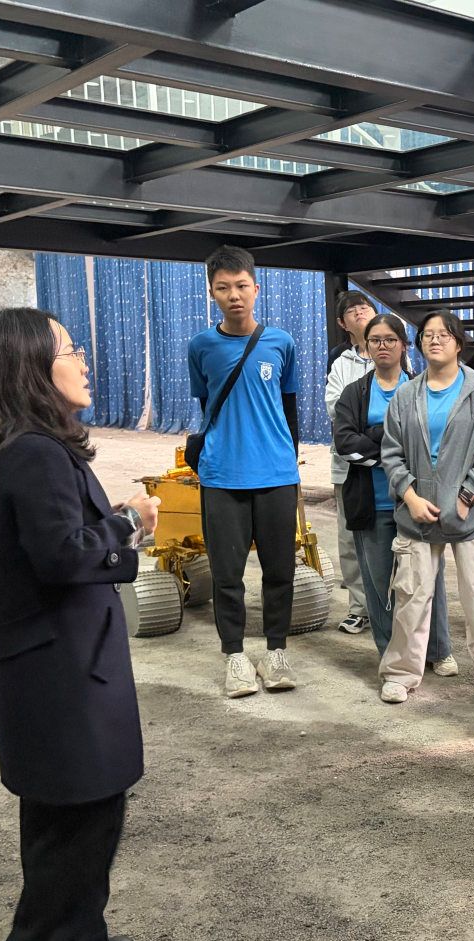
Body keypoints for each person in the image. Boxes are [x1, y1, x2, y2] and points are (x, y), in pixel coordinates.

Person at [0, 307, 158, 941]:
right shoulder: (33, 453)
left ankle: (79, 936)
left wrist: (112, 523)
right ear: (30, 366)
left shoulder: (29, 447)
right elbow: (64, 556)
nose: (83, 359)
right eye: (69, 348)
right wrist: (127, 522)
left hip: (60, 663)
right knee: (76, 818)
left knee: (85, 810)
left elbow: (57, 541)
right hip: (58, 671)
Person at [379, 311, 474, 708]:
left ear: (459, 343)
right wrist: (409, 496)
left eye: (444, 334)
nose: (434, 340)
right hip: (416, 516)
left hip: (471, 517)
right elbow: (391, 452)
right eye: (427, 334)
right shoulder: (406, 394)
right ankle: (400, 674)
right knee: (410, 599)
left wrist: (468, 496)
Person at [187, 245, 300, 698]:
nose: (234, 295)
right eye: (223, 288)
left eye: (241, 286)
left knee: (280, 571)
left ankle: (276, 652)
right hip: (222, 476)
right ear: (212, 293)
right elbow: (207, 406)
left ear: (256, 288)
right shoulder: (201, 346)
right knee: (227, 574)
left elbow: (289, 409)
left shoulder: (281, 342)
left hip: (276, 475)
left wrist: (288, 460)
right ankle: (234, 656)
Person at [332, 313, 452, 669]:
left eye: (389, 339)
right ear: (367, 346)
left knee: (428, 581)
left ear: (403, 345)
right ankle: (392, 655)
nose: (382, 346)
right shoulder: (355, 393)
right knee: (380, 584)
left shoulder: (422, 388)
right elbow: (345, 444)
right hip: (371, 503)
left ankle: (438, 651)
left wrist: (373, 439)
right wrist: (392, 444)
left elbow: (431, 443)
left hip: (418, 503)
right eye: (375, 340)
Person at [324, 289, 377, 635]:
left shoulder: (395, 352)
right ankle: (359, 608)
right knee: (349, 538)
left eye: (364, 306)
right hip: (348, 466)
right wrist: (370, 418)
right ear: (343, 324)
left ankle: (389, 606)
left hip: (388, 464)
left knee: (390, 537)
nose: (359, 312)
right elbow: (336, 408)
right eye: (351, 310)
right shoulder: (340, 362)